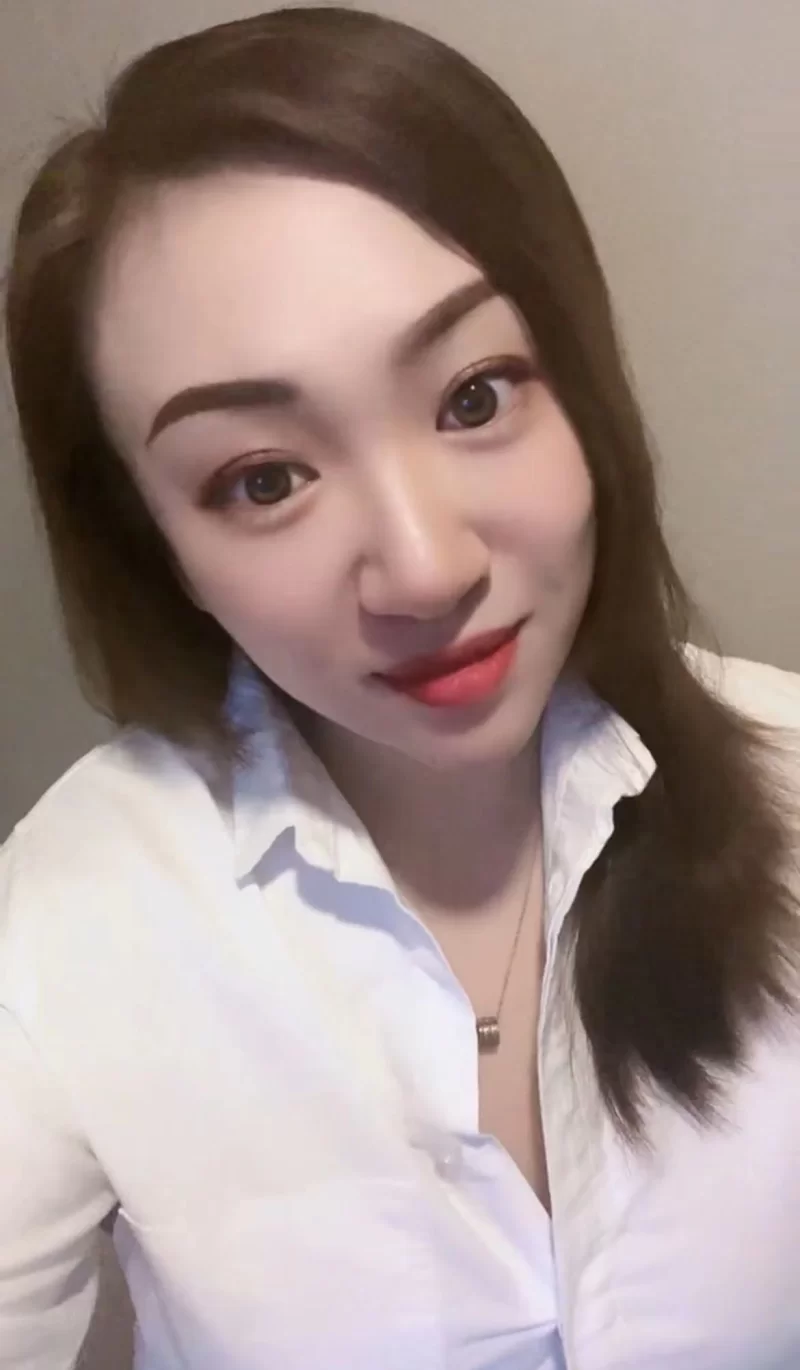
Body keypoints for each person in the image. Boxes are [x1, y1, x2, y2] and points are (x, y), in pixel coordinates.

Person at [1, 7, 799, 1369]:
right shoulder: (73, 918)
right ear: (158, 546)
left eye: (477, 396)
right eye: (263, 478)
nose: (426, 569)